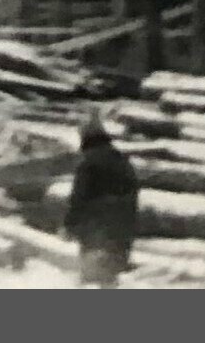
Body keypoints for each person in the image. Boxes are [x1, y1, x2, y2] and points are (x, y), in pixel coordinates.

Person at [62, 113, 139, 289]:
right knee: (109, 281)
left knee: (90, 278)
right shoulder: (122, 160)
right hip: (120, 234)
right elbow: (132, 197)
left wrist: (69, 225)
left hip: (95, 235)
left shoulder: (88, 164)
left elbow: (78, 198)